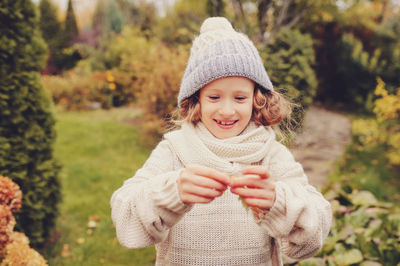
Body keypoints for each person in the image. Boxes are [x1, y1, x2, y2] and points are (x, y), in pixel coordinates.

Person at [110, 17, 332, 266]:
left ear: (256, 100)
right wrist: (170, 193)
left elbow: (313, 236)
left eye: (239, 98)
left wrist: (278, 203)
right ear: (197, 100)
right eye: (214, 97)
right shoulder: (175, 151)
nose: (227, 111)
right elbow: (126, 221)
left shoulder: (269, 154)